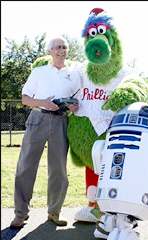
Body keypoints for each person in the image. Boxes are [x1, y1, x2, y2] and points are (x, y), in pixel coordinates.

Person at [10, 36, 81, 229]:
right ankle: (20, 213)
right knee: (26, 166)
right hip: (38, 119)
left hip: (61, 121)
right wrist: (42, 102)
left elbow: (78, 99)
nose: (62, 50)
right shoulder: (39, 72)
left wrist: (74, 106)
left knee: (59, 170)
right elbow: (25, 98)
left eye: (64, 47)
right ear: (50, 51)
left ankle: (54, 212)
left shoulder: (73, 74)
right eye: (57, 47)